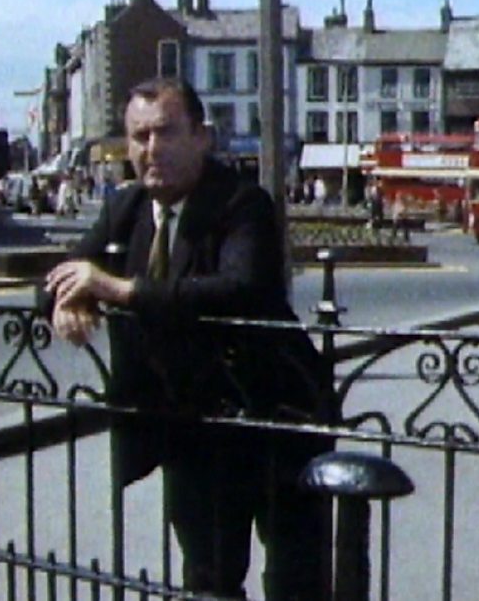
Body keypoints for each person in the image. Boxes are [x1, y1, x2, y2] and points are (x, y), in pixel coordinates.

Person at [41, 77, 335, 599]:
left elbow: (238, 289)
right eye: (140, 136)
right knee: (208, 581)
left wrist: (118, 289)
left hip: (275, 420)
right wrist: (69, 300)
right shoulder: (126, 208)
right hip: (193, 430)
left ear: (202, 137)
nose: (152, 149)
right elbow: (57, 277)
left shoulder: (242, 203)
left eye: (166, 132)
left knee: (295, 582)